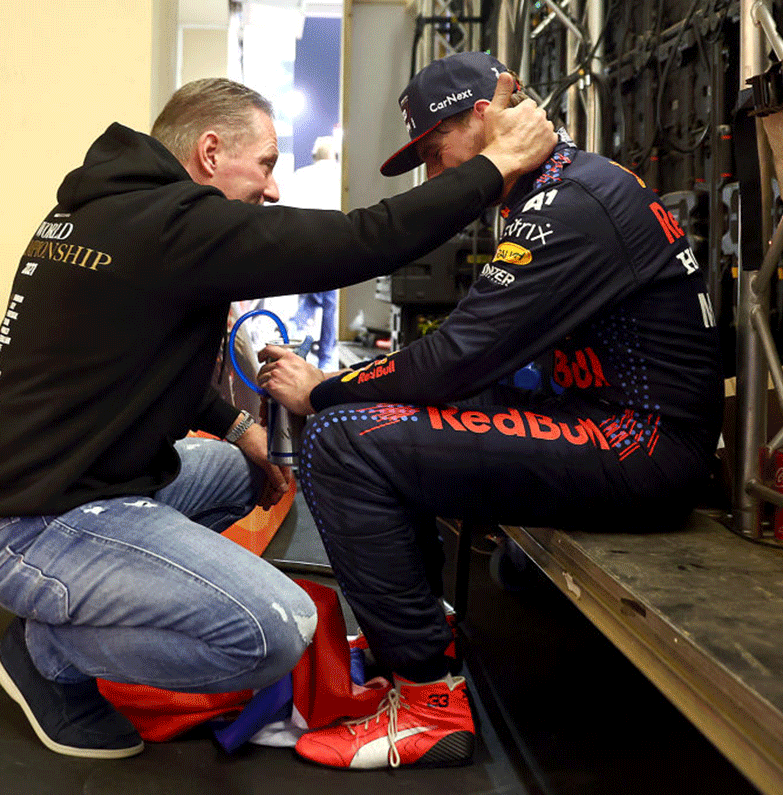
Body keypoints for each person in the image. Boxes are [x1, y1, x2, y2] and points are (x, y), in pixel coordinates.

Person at [0, 75, 557, 760]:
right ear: (210, 152)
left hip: (62, 488)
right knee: (274, 629)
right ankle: (51, 651)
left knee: (235, 471)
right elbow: (362, 240)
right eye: (265, 164)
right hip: (39, 529)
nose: (272, 189)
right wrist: (496, 166)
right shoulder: (172, 224)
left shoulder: (113, 211)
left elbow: (133, 362)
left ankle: (101, 597)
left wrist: (241, 427)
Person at [257, 51, 724, 770]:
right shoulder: (552, 189)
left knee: (342, 438)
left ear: (485, 115)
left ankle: (426, 703)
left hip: (647, 445)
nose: (436, 179)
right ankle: (409, 633)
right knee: (376, 412)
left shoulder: (569, 202)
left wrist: (323, 389)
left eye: (437, 156)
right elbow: (462, 362)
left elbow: (456, 359)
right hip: (604, 421)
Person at [284, 135, 342, 369]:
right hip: (333, 245)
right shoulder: (340, 175)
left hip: (304, 246)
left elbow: (287, 211)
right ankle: (326, 355)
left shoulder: (300, 176)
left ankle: (295, 334)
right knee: (329, 304)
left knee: (308, 296)